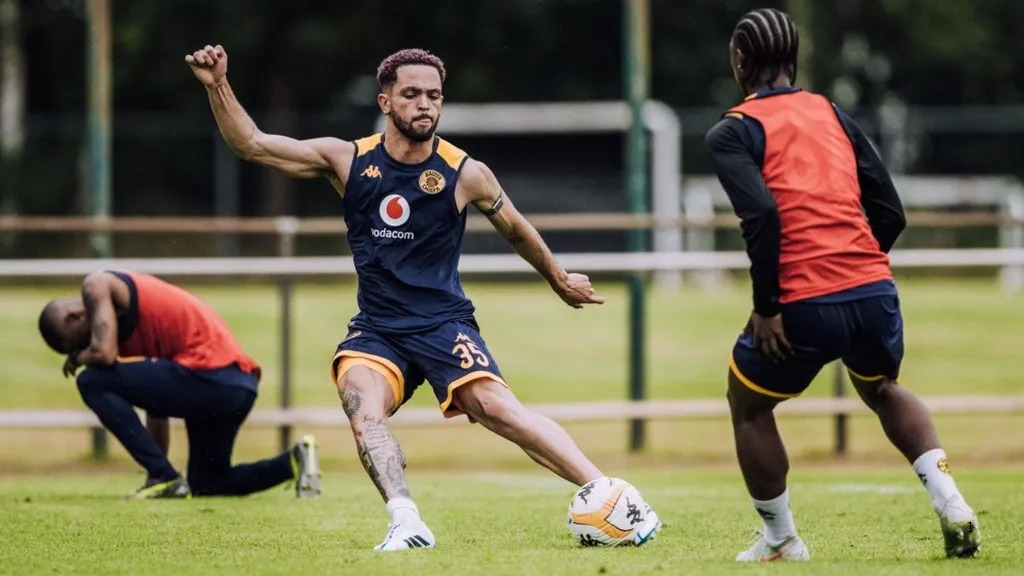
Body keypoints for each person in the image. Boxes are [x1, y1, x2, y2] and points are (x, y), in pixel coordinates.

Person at [186, 45, 662, 551]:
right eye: (411, 94)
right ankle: (406, 521)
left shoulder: (465, 172)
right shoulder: (347, 159)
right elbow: (253, 144)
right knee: (361, 405)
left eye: (433, 95)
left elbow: (517, 229)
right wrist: (218, 84)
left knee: (496, 408)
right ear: (386, 101)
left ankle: (614, 496)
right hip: (377, 329)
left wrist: (558, 277)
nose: (424, 105)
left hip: (443, 324)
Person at [705, 8, 980, 562]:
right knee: (881, 389)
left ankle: (781, 539)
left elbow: (760, 215)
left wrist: (768, 307)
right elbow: (891, 211)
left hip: (803, 299)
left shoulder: (732, 131)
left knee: (748, 404)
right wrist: (855, 268)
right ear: (793, 60)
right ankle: (951, 501)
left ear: (740, 61)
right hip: (874, 289)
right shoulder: (831, 111)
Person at [37, 270, 321, 500]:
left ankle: (166, 478)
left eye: (76, 342)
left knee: (91, 380)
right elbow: (156, 402)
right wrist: (158, 468)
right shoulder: (126, 333)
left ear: (74, 316)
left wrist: (78, 358)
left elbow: (103, 354)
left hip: (213, 375)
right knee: (209, 483)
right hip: (234, 386)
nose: (86, 346)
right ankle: (293, 461)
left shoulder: (97, 284)